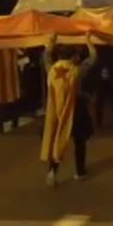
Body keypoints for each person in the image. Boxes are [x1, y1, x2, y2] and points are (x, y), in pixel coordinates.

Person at [40, 35, 97, 187]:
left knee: (57, 140)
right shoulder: (78, 71)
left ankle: (52, 172)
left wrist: (49, 45)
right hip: (76, 111)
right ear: (74, 57)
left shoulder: (52, 70)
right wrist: (88, 41)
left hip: (57, 113)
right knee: (80, 142)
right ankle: (80, 171)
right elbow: (92, 58)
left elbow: (45, 57)